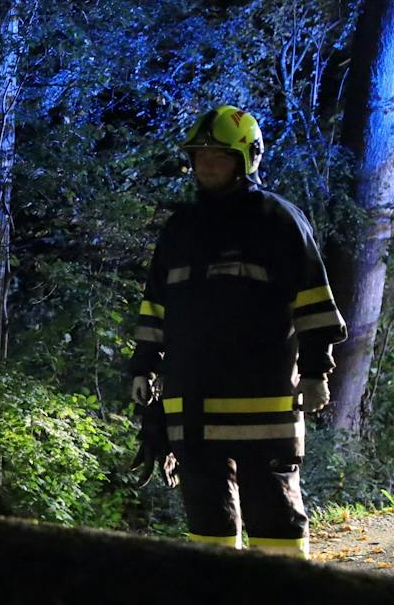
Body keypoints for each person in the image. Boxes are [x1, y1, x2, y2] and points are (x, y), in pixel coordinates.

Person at [129, 105, 346, 556]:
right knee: (208, 522)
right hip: (191, 403)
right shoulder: (179, 229)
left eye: (219, 155)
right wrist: (144, 367)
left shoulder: (279, 221)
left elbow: (313, 300)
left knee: (275, 517)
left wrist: (315, 372)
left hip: (263, 400)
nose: (206, 164)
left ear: (247, 159)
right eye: (199, 155)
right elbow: (154, 308)